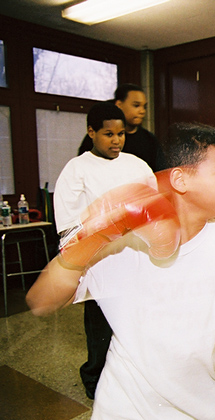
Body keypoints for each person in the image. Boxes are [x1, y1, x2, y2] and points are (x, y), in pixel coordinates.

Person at [28, 122, 215, 419]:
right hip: (124, 411)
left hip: (206, 409)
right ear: (180, 179)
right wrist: (88, 240)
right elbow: (41, 301)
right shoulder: (124, 245)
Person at [54, 101, 155, 399]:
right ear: (91, 132)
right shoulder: (77, 169)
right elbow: (68, 221)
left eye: (121, 134)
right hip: (101, 261)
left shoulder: (136, 165)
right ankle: (94, 378)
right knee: (101, 326)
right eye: (108, 134)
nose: (116, 141)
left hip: (136, 257)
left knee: (135, 322)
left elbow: (155, 206)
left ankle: (132, 376)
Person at [77, 83, 165, 171]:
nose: (142, 111)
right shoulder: (96, 139)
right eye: (136, 105)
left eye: (144, 107)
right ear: (119, 105)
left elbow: (160, 173)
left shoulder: (150, 140)